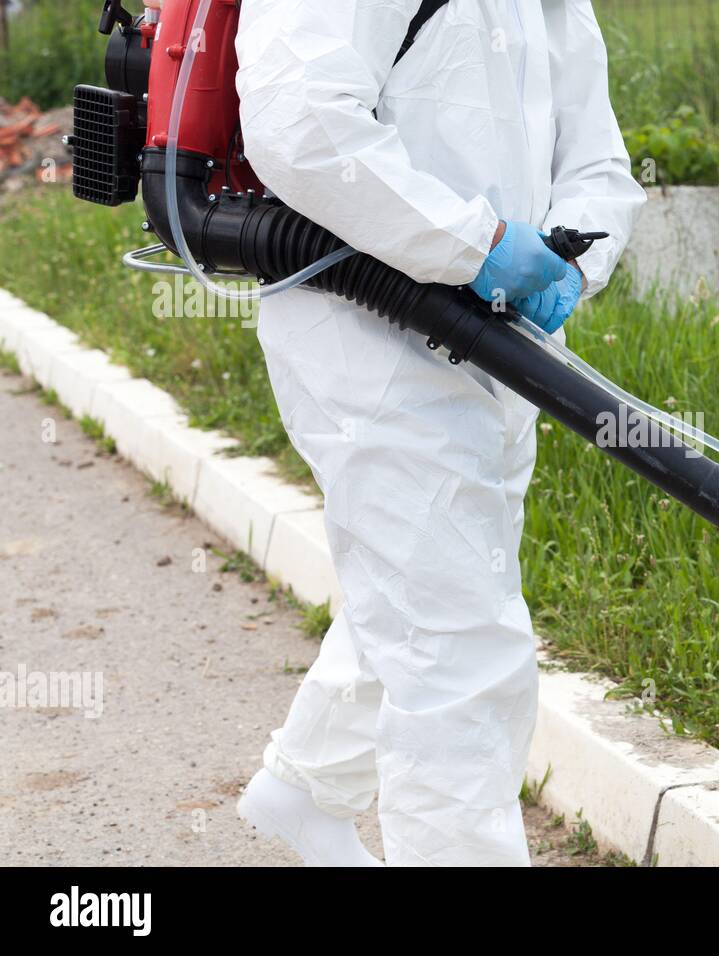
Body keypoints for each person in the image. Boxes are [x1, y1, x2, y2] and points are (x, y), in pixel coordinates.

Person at [230, 0, 645, 866]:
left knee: (433, 586)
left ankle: (304, 790)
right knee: (461, 647)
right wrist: (478, 242)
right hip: (364, 336)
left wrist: (570, 263)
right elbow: (297, 114)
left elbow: (599, 157)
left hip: (505, 347)